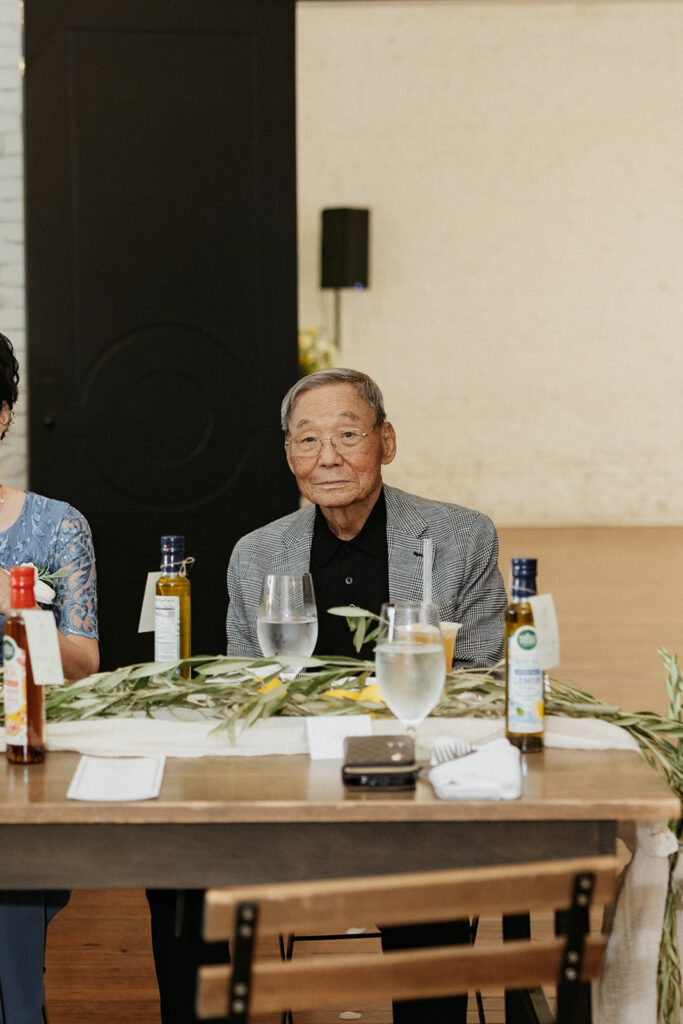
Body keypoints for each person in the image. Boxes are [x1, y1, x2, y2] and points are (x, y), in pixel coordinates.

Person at [147, 367, 506, 1024]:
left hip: (412, 786)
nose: (328, 456)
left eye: (347, 434)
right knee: (179, 874)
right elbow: (247, 695)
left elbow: (480, 683)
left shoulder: (460, 537)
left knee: (429, 874)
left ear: (386, 441)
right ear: (288, 455)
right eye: (306, 440)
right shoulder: (257, 556)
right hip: (292, 787)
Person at [0, 330, 99, 1022]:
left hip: (22, 754)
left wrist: (17, 617)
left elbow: (84, 662)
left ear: (2, 414)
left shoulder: (58, 528)